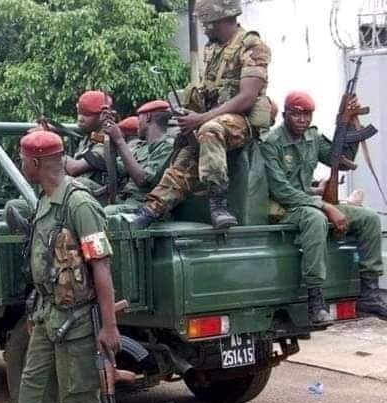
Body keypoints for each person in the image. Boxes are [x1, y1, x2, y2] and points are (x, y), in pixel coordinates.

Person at [0, 131, 121, 403]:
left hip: (76, 320)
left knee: (78, 392)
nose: (21, 166)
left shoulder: (80, 204)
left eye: (23, 160)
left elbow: (100, 265)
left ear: (36, 163)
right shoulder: (45, 201)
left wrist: (108, 326)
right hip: (47, 314)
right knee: (33, 389)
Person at [134, 0, 272, 229]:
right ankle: (151, 210)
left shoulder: (252, 47)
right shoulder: (213, 49)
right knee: (186, 155)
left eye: (209, 23)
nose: (205, 28)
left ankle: (218, 203)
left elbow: (247, 97)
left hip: (241, 122)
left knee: (210, 130)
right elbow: (208, 92)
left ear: (225, 18)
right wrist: (191, 116)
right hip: (212, 119)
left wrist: (201, 120)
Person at [262, 91, 387, 325]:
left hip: (311, 202)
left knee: (369, 218)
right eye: (297, 114)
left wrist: (347, 125)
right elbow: (281, 190)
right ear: (285, 114)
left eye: (307, 115)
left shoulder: (313, 137)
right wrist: (326, 207)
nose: (302, 120)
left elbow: (340, 160)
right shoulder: (271, 143)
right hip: (284, 207)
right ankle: (315, 299)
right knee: (315, 219)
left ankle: (369, 292)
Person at [64, 91, 135, 204]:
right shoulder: (91, 136)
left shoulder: (108, 142)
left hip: (100, 199)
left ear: (103, 115)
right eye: (79, 113)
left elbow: (74, 168)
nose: (80, 119)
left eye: (87, 114)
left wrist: (53, 147)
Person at [107, 100, 175, 213]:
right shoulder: (140, 146)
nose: (137, 122)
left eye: (139, 118)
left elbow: (143, 180)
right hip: (125, 200)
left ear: (148, 117)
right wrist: (110, 140)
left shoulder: (167, 147)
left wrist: (119, 141)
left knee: (105, 214)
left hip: (146, 206)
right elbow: (117, 168)